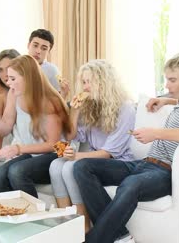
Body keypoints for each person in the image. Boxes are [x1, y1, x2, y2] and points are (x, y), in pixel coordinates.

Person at [73, 53, 179, 243]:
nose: (167, 86)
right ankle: (120, 236)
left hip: (164, 172)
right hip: (143, 164)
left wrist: (155, 133)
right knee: (82, 167)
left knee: (130, 185)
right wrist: (167, 100)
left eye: (172, 80)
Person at [49, 60, 136, 232]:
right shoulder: (89, 105)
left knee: (69, 168)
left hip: (119, 163)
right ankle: (66, 223)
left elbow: (108, 153)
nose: (86, 87)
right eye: (84, 82)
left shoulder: (126, 108)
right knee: (54, 165)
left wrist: (76, 156)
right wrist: (74, 111)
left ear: (104, 83)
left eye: (91, 82)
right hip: (93, 159)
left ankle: (84, 227)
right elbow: (71, 136)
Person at [0, 55, 72, 198]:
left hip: (57, 154)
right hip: (33, 153)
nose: (8, 83)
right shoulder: (13, 94)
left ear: (28, 78)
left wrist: (18, 149)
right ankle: (11, 215)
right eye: (8, 78)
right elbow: (4, 129)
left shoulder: (50, 101)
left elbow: (55, 145)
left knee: (17, 172)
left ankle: (35, 217)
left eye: (13, 79)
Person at [0, 29, 69, 98]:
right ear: (28, 45)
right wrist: (6, 78)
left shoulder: (51, 71)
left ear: (49, 51)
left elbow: (58, 100)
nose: (38, 51)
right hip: (6, 105)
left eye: (44, 48)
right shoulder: (16, 60)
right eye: (35, 45)